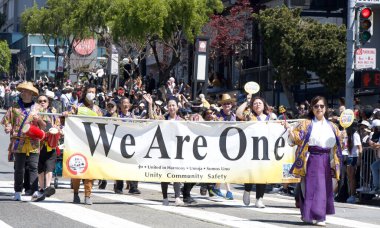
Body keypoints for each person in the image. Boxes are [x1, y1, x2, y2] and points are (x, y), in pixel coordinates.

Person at [284, 96, 342, 226]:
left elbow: (339, 145)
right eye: (316, 106)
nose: (319, 109)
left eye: (321, 106)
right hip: (311, 157)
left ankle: (319, 215)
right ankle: (311, 214)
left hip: (327, 158)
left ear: (326, 108)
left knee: (324, 187)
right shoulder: (306, 123)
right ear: (312, 108)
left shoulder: (332, 126)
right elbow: (295, 140)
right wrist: (290, 130)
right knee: (310, 187)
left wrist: (343, 136)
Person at [1, 82, 47, 202]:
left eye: (26, 91)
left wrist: (39, 120)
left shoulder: (39, 108)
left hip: (33, 141)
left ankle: (34, 190)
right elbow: (6, 120)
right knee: (19, 168)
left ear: (32, 94)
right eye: (22, 91)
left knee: (33, 166)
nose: (23, 93)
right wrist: (8, 127)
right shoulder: (14, 107)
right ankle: (17, 191)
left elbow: (44, 126)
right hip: (19, 141)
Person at [63, 84, 103, 205]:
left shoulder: (97, 109)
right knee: (77, 169)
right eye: (89, 91)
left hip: (92, 143)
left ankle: (88, 195)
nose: (91, 94)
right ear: (85, 93)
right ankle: (76, 193)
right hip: (78, 142)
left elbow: (103, 123)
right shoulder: (77, 106)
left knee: (91, 171)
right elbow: (69, 114)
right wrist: (66, 114)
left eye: (93, 92)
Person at [144, 94, 184, 206]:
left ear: (177, 107)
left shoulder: (182, 120)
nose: (171, 107)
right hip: (164, 150)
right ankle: (165, 197)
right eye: (169, 105)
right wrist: (150, 104)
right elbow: (152, 118)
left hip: (177, 150)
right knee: (165, 174)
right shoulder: (163, 119)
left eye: (173, 105)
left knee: (177, 175)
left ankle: (177, 197)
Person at [236, 96, 275, 208]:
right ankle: (247, 190)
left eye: (260, 103)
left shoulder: (270, 117)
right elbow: (238, 114)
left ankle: (259, 199)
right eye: (255, 103)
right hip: (251, 148)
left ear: (264, 105)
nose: (257, 105)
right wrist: (246, 102)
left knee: (262, 174)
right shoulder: (250, 116)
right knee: (250, 172)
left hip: (265, 149)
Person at [36, 94, 61, 200]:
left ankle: (47, 187)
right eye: (40, 101)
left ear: (48, 102)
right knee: (40, 168)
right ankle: (41, 188)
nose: (42, 102)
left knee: (49, 167)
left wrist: (57, 129)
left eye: (44, 101)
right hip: (38, 145)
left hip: (51, 145)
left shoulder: (53, 114)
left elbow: (58, 126)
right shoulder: (35, 113)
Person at [345, 122, 362, 204]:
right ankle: (351, 194)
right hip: (350, 156)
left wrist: (359, 159)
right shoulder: (349, 135)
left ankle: (353, 195)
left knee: (352, 178)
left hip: (354, 157)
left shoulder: (355, 135)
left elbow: (360, 148)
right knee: (350, 178)